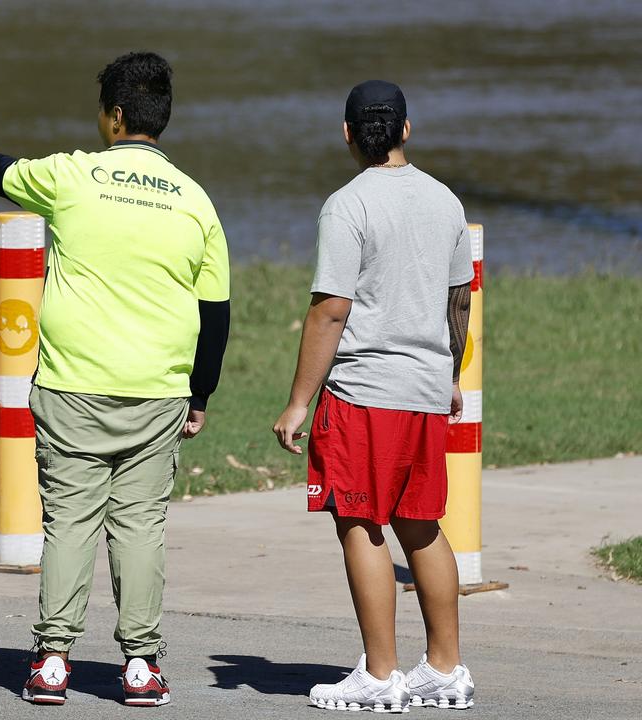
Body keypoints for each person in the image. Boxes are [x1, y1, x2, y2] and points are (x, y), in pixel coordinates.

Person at [0, 51, 230, 707]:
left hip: (72, 386)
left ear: (114, 117)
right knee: (141, 528)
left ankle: (53, 661)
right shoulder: (197, 201)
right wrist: (200, 394)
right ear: (161, 119)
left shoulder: (71, 175)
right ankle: (141, 666)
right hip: (157, 390)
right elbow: (215, 313)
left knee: (69, 525)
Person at [272, 80, 476, 712]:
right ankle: (445, 669)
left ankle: (381, 677)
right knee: (421, 523)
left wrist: (299, 400)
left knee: (359, 519)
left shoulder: (347, 205)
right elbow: (459, 297)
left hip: (363, 391)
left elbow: (331, 309)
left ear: (347, 134)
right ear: (407, 131)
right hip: (422, 389)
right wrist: (447, 375)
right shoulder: (445, 201)